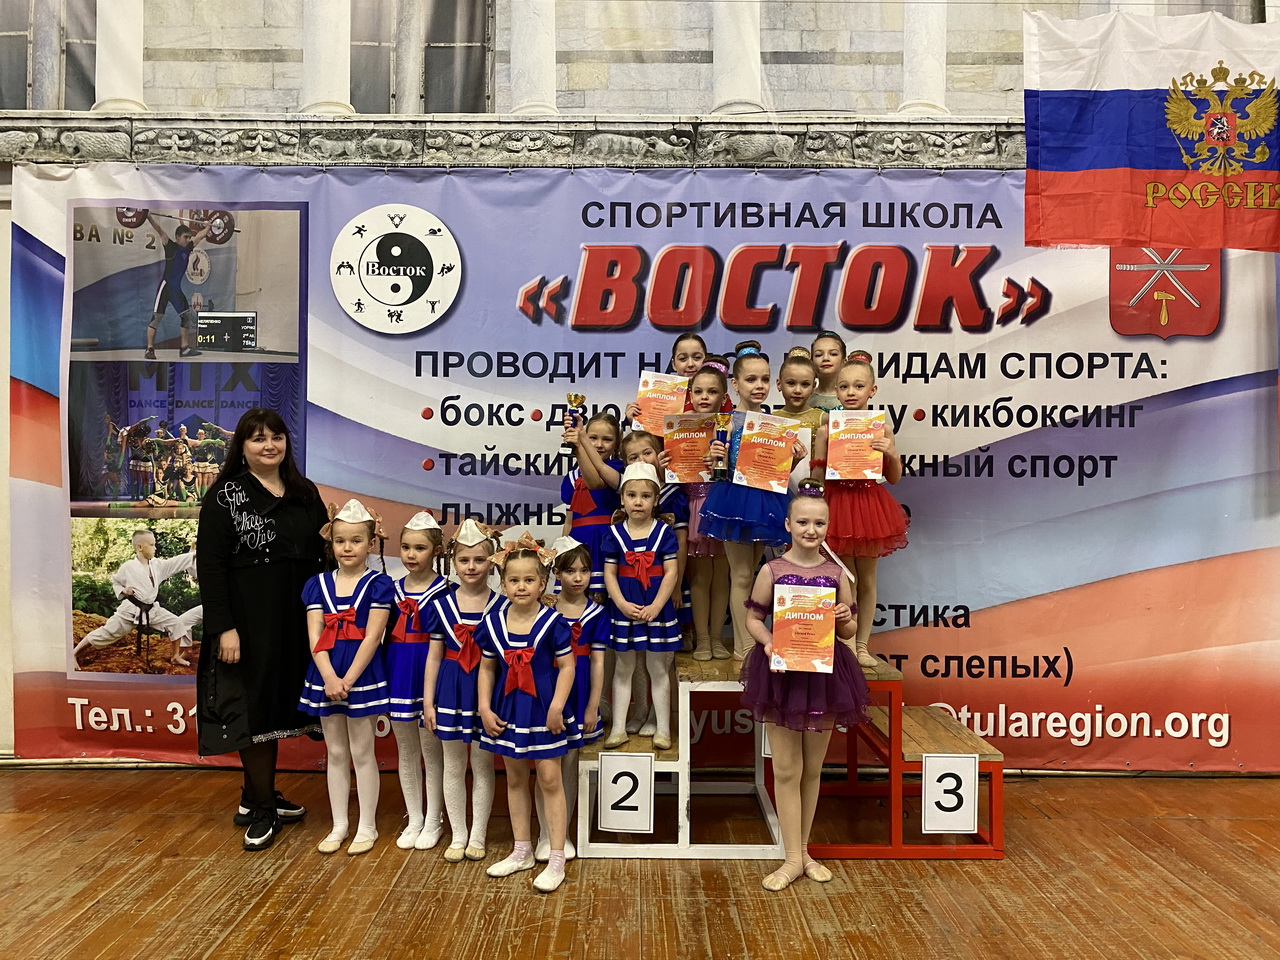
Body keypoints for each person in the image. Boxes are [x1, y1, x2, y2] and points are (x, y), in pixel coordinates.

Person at [195, 407, 328, 851]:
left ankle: (255, 797)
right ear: (243, 446)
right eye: (258, 438)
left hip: (298, 618)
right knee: (251, 708)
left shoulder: (305, 491)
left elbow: (326, 553)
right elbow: (210, 567)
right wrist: (224, 629)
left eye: (277, 437)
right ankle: (263, 807)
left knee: (278, 706)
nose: (269, 445)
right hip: (248, 622)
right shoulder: (224, 496)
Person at [741, 481, 869, 891]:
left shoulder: (837, 574)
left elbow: (848, 630)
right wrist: (768, 642)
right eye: (802, 522)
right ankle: (791, 858)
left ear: (828, 527)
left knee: (813, 769)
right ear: (788, 525)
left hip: (825, 676)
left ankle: (804, 852)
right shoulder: (772, 570)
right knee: (786, 769)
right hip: (782, 675)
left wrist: (844, 617)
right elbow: (753, 618)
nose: (810, 530)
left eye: (818, 523)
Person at [477, 535, 580, 893]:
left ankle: (556, 857)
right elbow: (486, 668)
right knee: (515, 778)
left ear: (543, 583)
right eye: (514, 580)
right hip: (508, 707)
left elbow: (567, 667)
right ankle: (521, 850)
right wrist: (484, 707)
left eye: (529, 580)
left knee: (550, 779)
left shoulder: (553, 622)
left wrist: (557, 707)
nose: (521, 586)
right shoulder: (492, 624)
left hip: (544, 708)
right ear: (503, 583)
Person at [298, 499, 394, 856]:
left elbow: (373, 637)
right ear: (331, 542)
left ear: (371, 543)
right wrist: (329, 677)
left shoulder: (379, 585)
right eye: (340, 541)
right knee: (335, 751)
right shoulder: (317, 585)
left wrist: (348, 680)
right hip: (326, 674)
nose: (347, 547)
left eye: (356, 540)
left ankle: (367, 826)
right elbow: (314, 634)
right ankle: (339, 825)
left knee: (363, 751)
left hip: (360, 674)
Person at [701, 342, 806, 659]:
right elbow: (716, 470)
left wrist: (794, 460)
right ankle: (744, 645)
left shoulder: (776, 423)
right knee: (742, 574)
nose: (758, 385)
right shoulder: (726, 422)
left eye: (764, 379)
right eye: (750, 379)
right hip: (734, 500)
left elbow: (777, 471)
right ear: (735, 384)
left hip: (767, 501)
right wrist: (714, 456)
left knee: (760, 574)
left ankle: (755, 640)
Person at [818, 351, 908, 669]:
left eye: (858, 386)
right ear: (836, 390)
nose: (851, 392)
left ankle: (862, 645)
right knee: (846, 579)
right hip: (837, 504)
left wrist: (891, 453)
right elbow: (816, 479)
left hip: (870, 506)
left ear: (872, 390)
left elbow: (894, 478)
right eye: (844, 387)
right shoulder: (827, 428)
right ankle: (845, 646)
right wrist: (824, 456)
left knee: (867, 579)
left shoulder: (882, 429)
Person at [421, 518, 502, 862]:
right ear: (452, 562)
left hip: (487, 691)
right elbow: (433, 657)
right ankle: (458, 834)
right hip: (451, 688)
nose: (471, 567)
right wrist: (428, 702)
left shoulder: (502, 606)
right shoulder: (440, 605)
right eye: (464, 560)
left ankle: (478, 834)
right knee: (453, 764)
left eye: (479, 560)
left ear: (491, 562)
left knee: (483, 764)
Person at [534, 536, 606, 862]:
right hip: (548, 691)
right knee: (546, 766)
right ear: (556, 573)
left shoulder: (597, 614)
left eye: (584, 571)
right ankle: (544, 834)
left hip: (579, 692)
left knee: (569, 767)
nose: (578, 578)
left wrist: (592, 706)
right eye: (570, 571)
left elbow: (599, 663)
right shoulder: (544, 609)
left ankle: (561, 834)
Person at [601, 462, 682, 751]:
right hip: (625, 610)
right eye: (632, 495)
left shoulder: (664, 533)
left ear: (656, 500)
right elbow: (610, 574)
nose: (638, 502)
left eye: (646, 496)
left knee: (657, 668)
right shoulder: (613, 534)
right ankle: (618, 729)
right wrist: (621, 603)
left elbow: (671, 572)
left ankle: (663, 729)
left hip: (656, 610)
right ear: (622, 499)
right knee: (623, 667)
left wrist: (658, 605)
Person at [386, 511, 450, 850]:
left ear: (436, 551)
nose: (411, 555)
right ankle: (414, 818)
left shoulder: (447, 591)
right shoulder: (391, 590)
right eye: (406, 547)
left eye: (420, 548)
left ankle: (435, 818)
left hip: (430, 672)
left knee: (431, 748)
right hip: (399, 669)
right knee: (406, 749)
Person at [72, 529, 197, 666]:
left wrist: (195, 554)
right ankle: (74, 653)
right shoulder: (128, 567)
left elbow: (175, 562)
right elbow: (116, 582)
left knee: (175, 623)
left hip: (151, 610)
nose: (155, 548)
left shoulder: (156, 565)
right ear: (140, 547)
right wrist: (123, 590)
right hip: (130, 611)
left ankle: (175, 656)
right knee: (106, 633)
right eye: (152, 545)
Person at [683, 358, 733, 661]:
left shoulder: (729, 425)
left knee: (722, 575)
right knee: (700, 577)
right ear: (690, 393)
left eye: (712, 392)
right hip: (695, 504)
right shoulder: (679, 424)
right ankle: (702, 638)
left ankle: (717, 638)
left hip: (724, 503)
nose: (704, 397)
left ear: (723, 396)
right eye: (698, 391)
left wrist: (722, 457)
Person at [560, 411, 624, 599]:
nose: (599, 444)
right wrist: (563, 549)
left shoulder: (618, 468)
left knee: (604, 598)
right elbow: (569, 521)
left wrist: (580, 445)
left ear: (617, 443)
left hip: (606, 543)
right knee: (576, 599)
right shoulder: (572, 477)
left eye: (607, 439)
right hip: (578, 542)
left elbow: (594, 482)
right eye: (593, 438)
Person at [144, 212, 210, 360]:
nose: (188, 239)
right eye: (185, 237)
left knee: (186, 317)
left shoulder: (188, 248)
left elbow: (200, 236)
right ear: (177, 237)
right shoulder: (170, 247)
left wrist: (208, 226)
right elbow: (159, 230)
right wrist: (148, 217)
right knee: (156, 318)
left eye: (189, 237)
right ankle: (149, 349)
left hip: (176, 290)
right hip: (165, 287)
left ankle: (184, 348)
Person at [809, 330, 847, 412]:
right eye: (819, 355)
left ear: (844, 362)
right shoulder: (804, 398)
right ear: (812, 363)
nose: (825, 358)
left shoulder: (852, 397)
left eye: (833, 354)